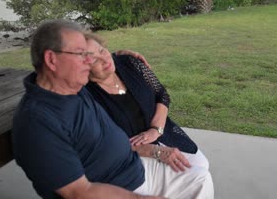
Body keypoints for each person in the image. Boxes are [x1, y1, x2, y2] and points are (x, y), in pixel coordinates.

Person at [12, 19, 214, 199]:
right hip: (114, 187)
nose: (90, 62)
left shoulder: (70, 87)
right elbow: (79, 193)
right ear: (51, 60)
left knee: (199, 179)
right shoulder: (38, 122)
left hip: (134, 168)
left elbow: (107, 66)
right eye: (82, 55)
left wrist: (120, 54)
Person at [84, 33, 209, 171]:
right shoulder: (85, 96)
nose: (104, 59)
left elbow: (162, 95)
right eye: (94, 60)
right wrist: (152, 150)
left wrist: (156, 129)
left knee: (201, 165)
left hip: (164, 132)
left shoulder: (129, 62)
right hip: (133, 155)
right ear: (82, 69)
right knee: (190, 177)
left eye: (102, 50)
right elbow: (103, 143)